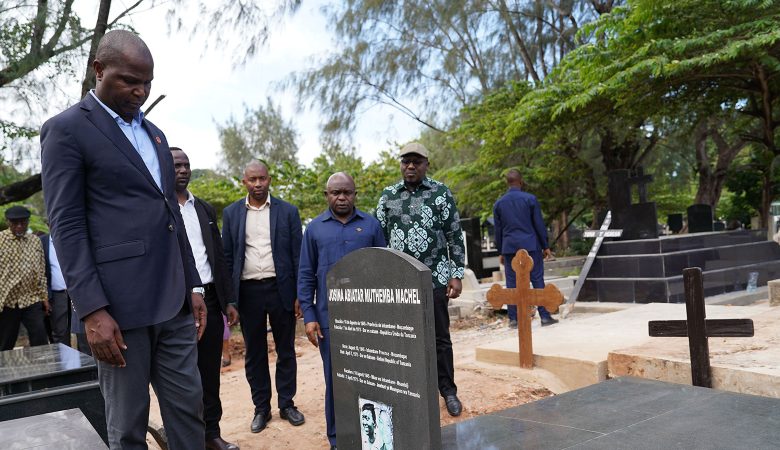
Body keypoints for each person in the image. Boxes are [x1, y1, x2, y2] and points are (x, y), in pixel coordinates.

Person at [40, 30, 207, 449]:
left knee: (189, 416)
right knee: (129, 429)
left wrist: (193, 283)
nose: (141, 91)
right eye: (130, 80)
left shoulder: (155, 135)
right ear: (99, 70)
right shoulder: (66, 130)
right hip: (117, 313)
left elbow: (170, 214)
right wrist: (92, 310)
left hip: (173, 304)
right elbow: (66, 224)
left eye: (147, 82)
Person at [375, 142, 465, 417]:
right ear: (400, 164)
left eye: (416, 162)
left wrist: (456, 273)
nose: (410, 166)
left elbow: (454, 235)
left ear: (426, 164)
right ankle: (410, 393)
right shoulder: (388, 196)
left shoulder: (440, 192)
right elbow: (378, 237)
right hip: (399, 284)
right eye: (406, 161)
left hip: (435, 279)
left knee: (440, 338)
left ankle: (448, 391)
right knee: (403, 340)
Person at [298, 172, 386, 449]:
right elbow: (305, 276)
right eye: (336, 192)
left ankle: (374, 435)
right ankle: (338, 438)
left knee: (372, 377)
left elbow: (385, 269)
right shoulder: (314, 229)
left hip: (368, 320)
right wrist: (310, 317)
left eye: (346, 192)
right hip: (329, 321)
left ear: (355, 194)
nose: (341, 197)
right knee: (336, 381)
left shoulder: (371, 226)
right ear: (327, 195)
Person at [222, 161, 305, 433]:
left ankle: (287, 404)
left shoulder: (288, 212)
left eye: (262, 179)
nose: (258, 184)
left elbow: (297, 256)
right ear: (244, 182)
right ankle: (262, 408)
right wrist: (230, 300)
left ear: (270, 179)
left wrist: (299, 295)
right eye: (252, 179)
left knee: (286, 350)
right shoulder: (232, 214)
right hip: (248, 292)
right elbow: (227, 257)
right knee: (254, 354)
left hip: (281, 289)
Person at [172, 147, 241, 450]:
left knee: (210, 373)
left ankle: (211, 434)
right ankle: (187, 439)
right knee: (180, 378)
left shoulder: (203, 209)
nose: (183, 170)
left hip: (211, 300)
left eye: (186, 165)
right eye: (176, 165)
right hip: (176, 304)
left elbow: (220, 258)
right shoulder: (159, 207)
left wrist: (229, 300)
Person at [493, 169, 558, 327]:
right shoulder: (530, 199)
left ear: (507, 183)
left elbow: (498, 230)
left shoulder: (499, 204)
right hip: (530, 245)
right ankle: (544, 317)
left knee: (511, 282)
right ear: (521, 182)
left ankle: (514, 319)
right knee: (537, 279)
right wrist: (546, 246)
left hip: (509, 248)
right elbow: (538, 225)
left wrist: (501, 251)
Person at [0, 206, 49, 350]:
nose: (20, 226)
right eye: (15, 223)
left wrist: (44, 298)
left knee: (40, 339)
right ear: (8, 222)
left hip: (31, 299)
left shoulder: (35, 241)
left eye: (23, 223)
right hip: (7, 301)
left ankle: (42, 370)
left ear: (27, 222)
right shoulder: (1, 240)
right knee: (5, 343)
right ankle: (4, 371)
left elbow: (41, 270)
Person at [41, 233, 71, 346]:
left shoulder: (69, 237)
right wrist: (45, 297)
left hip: (76, 292)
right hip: (57, 294)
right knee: (60, 331)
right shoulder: (42, 242)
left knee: (83, 332)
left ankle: (87, 362)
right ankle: (64, 362)